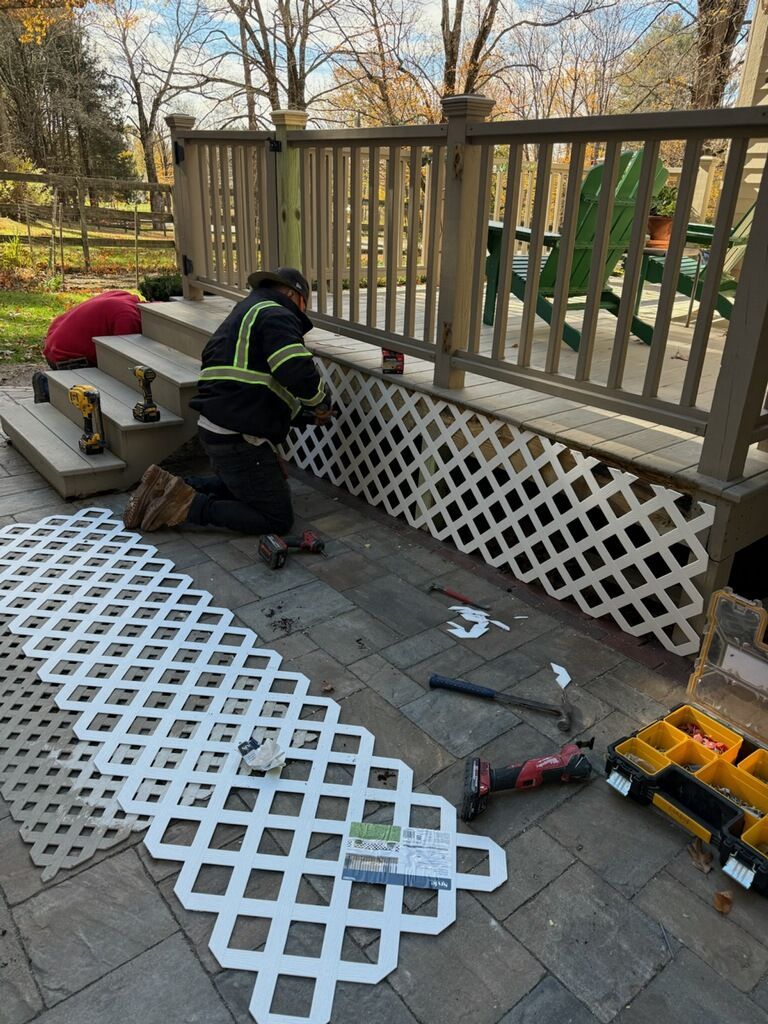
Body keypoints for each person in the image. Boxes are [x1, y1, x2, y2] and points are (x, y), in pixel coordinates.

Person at [123, 266, 332, 535]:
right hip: (238, 439)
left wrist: (303, 415)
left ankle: (167, 486)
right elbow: (294, 368)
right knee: (276, 518)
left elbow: (257, 386)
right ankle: (185, 507)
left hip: (216, 428)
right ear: (293, 294)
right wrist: (319, 401)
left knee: (248, 484)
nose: (303, 312)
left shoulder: (245, 314)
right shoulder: (277, 314)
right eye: (304, 304)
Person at [43, 290, 142, 368]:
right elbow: (123, 358)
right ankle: (46, 384)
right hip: (65, 357)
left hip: (54, 343)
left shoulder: (124, 296)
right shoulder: (129, 318)